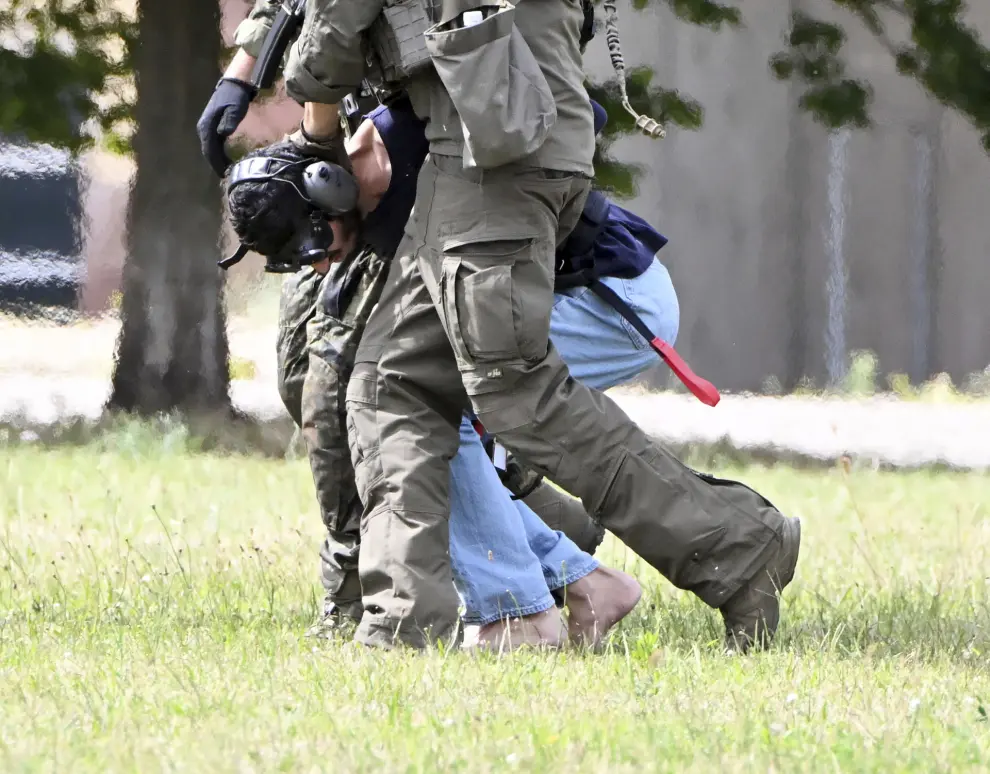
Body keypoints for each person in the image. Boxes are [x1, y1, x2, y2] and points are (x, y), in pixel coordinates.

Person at [203, 0, 801, 654]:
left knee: (510, 391)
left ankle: (733, 551)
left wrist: (308, 108)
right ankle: (408, 633)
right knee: (392, 383)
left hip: (495, 145)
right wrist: (251, 73)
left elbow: (334, 26)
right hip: (479, 137)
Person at [226, 97, 676, 649]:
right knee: (415, 408)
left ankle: (523, 612)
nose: (320, 266)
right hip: (562, 298)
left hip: (609, 299)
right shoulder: (374, 194)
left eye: (316, 245)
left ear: (332, 194)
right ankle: (574, 584)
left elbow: (571, 112)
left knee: (419, 408)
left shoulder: (417, 138)